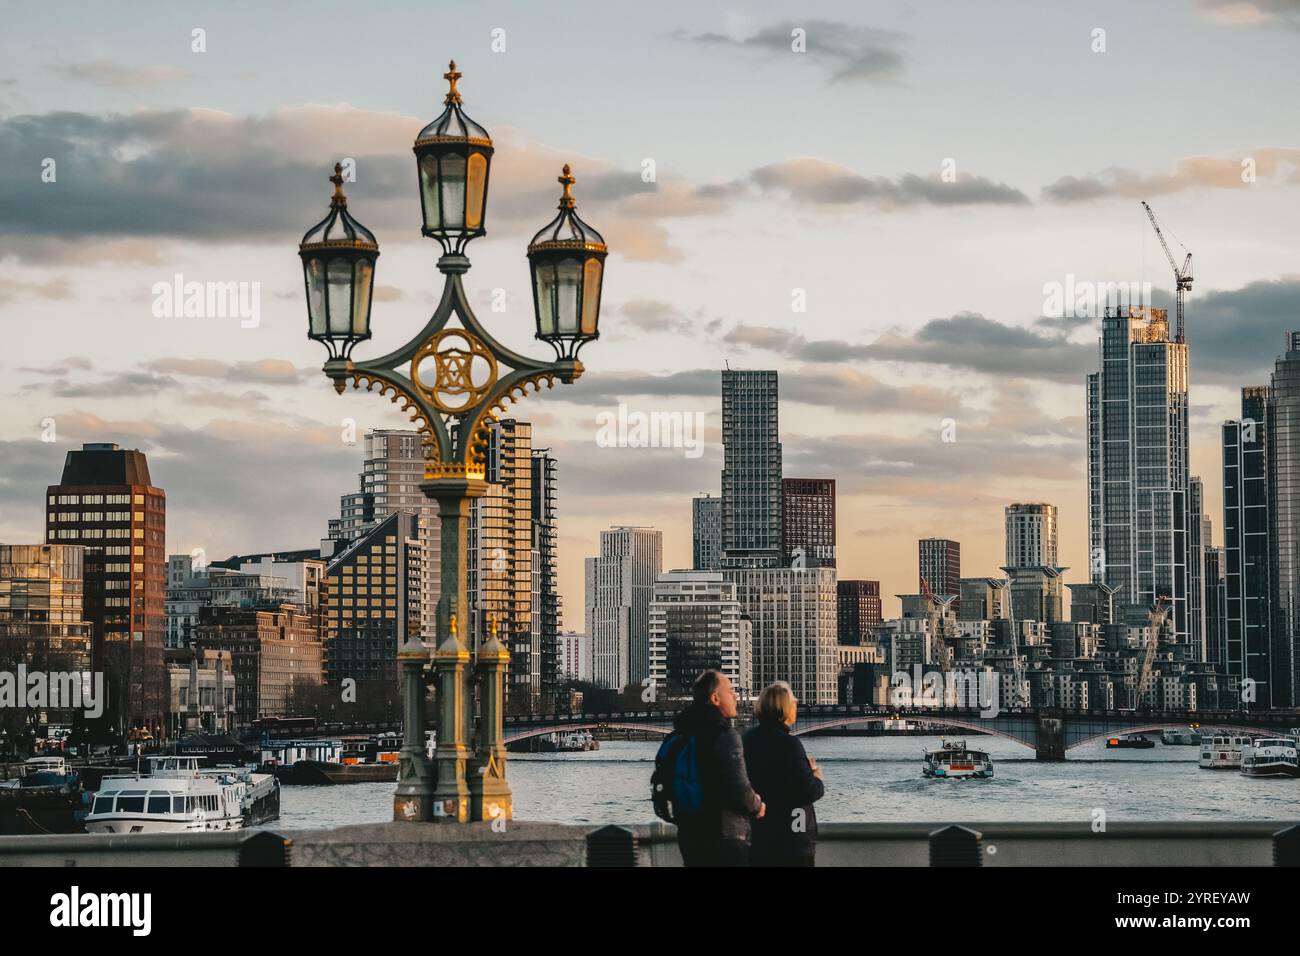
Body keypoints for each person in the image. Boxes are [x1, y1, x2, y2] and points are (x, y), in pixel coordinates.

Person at [669, 670, 765, 866]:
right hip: (725, 836)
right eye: (730, 691)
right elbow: (739, 788)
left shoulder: (681, 734)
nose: (735, 696)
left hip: (690, 835)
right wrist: (757, 805)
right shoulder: (725, 736)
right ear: (715, 698)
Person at [743, 681, 824, 867]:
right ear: (784, 708)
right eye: (793, 702)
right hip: (792, 840)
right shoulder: (789, 744)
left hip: (757, 836)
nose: (797, 703)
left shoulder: (747, 739)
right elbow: (808, 791)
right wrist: (816, 777)